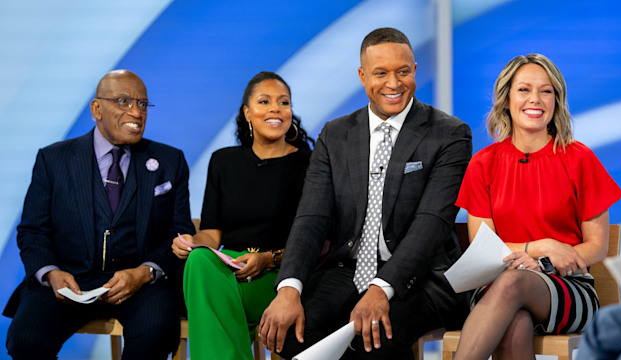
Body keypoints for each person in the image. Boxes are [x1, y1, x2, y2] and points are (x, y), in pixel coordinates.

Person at [258, 27, 472, 359]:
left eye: (403, 71)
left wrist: (381, 288)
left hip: (424, 276)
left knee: (376, 338)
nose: (393, 83)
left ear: (414, 70)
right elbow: (311, 217)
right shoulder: (336, 134)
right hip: (349, 268)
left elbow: (430, 225)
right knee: (288, 334)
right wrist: (289, 288)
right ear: (361, 76)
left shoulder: (449, 134)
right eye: (381, 73)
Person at [3, 70, 195, 359]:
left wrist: (143, 273)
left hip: (141, 284)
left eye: (142, 104)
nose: (136, 112)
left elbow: (179, 232)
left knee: (157, 330)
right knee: (26, 339)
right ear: (96, 109)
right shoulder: (53, 159)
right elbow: (32, 231)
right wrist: (51, 274)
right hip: (69, 282)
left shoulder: (170, 160)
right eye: (123, 101)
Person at [453, 54, 621, 360]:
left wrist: (545, 264)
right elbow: (485, 249)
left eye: (546, 91)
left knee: (514, 282)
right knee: (514, 323)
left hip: (568, 286)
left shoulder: (579, 159)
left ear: (556, 101)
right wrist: (540, 246)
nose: (536, 99)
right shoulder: (483, 164)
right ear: (506, 99)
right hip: (496, 286)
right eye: (524, 90)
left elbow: (597, 246)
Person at [172, 71, 313, 360]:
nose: (276, 108)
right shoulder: (223, 161)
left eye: (283, 102)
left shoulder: (309, 163)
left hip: (280, 275)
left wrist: (268, 258)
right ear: (248, 113)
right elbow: (211, 233)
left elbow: (317, 239)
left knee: (210, 304)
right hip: (230, 269)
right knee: (199, 260)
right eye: (265, 101)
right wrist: (191, 242)